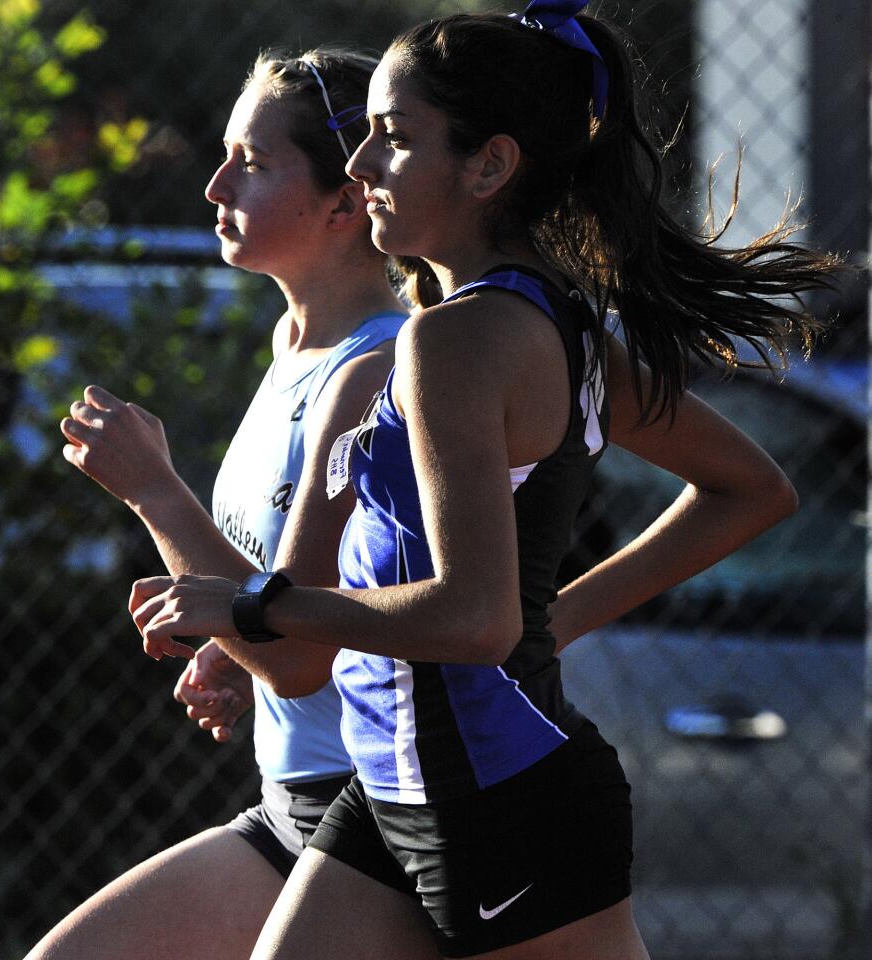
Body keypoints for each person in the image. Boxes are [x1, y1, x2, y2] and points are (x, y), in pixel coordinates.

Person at [128, 3, 840, 959]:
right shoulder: (532, 318)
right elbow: (748, 491)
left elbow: (475, 622)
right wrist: (559, 616)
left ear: (490, 165)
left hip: (502, 800)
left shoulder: (457, 339)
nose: (362, 168)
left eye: (393, 138)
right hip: (388, 795)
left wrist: (259, 607)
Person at [27, 48, 408, 960]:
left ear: (346, 198)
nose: (213, 183)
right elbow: (305, 601)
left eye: (254, 160)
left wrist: (155, 490)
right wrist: (234, 653)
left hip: (374, 819)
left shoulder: (380, 367)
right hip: (294, 805)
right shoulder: (293, 343)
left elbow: (306, 658)